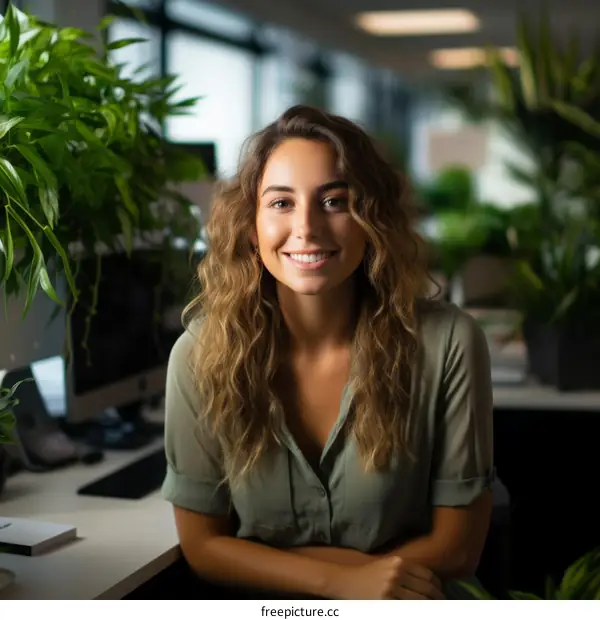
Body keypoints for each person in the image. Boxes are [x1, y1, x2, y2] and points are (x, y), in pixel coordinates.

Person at [161, 105, 494, 600]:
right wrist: (342, 582)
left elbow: (458, 548)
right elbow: (204, 547)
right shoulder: (198, 354)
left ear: (371, 219)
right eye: (280, 203)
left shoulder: (449, 343)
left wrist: (277, 564)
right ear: (251, 226)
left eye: (334, 201)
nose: (307, 228)